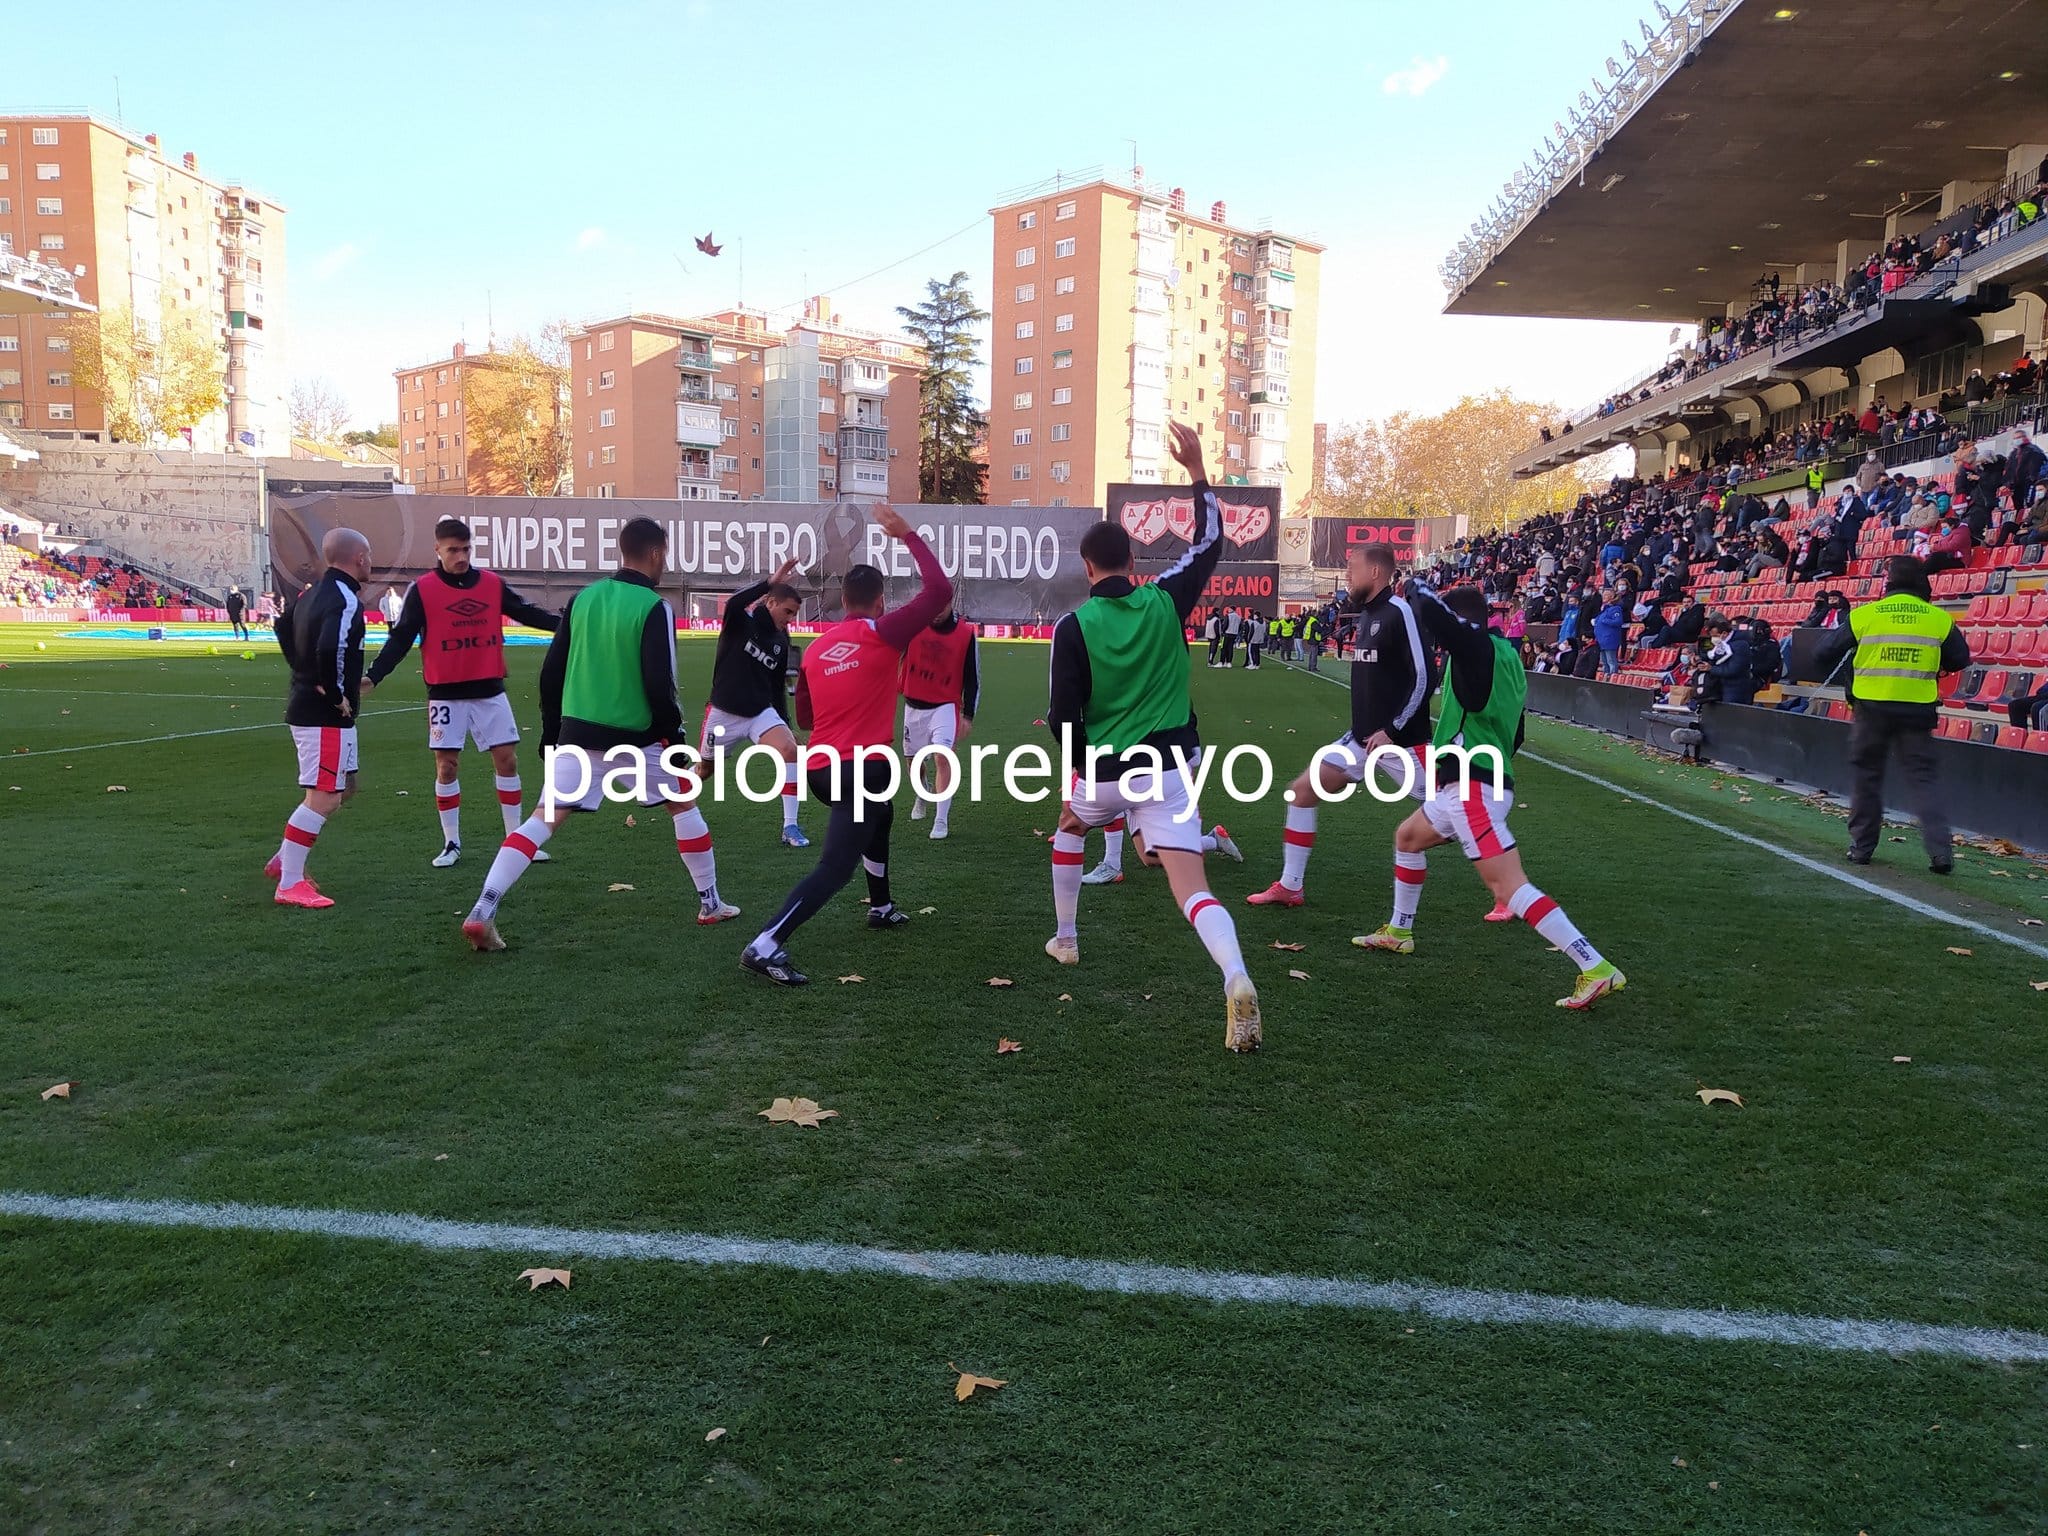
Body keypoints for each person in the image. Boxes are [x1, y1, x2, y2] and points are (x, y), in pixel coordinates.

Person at [1046, 421, 1261, 1052]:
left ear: (1087, 567)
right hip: (1169, 769)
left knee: (1068, 827)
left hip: (1107, 771)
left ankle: (1066, 938)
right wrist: (1197, 472)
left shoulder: (1073, 626)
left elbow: (1064, 716)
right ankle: (1236, 975)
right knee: (1191, 889)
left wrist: (1083, 771)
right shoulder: (1167, 599)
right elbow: (1213, 542)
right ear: (1133, 563)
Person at [460, 517, 735, 950]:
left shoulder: (583, 598)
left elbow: (552, 673)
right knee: (683, 805)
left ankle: (484, 906)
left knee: (542, 820)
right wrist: (675, 743)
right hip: (637, 736)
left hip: (577, 732)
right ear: (657, 553)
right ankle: (710, 903)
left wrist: (552, 735)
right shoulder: (654, 606)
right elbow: (659, 681)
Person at [1353, 580, 1626, 1011]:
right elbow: (1515, 730)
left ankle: (1595, 966)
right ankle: (1399, 931)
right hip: (1470, 782)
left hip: (1471, 787)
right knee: (1407, 837)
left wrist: (1418, 591)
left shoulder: (1476, 650)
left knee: (1508, 885)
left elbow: (1446, 623)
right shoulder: (1509, 658)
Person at [739, 505, 954, 986]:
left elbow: (807, 718)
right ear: (880, 603)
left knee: (882, 816)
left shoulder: (815, 649)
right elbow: (940, 592)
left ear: (841, 599)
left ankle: (881, 906)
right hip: (861, 768)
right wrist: (908, 535)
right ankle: (766, 943)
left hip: (822, 769)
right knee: (835, 866)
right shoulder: (883, 632)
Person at [364, 517, 561, 867]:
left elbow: (527, 613)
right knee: (447, 767)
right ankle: (452, 843)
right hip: (445, 694)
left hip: (489, 691)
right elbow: (401, 637)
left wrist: (569, 625)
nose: (461, 556)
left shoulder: (490, 584)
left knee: (507, 760)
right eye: (453, 550)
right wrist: (374, 675)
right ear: (437, 550)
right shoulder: (423, 590)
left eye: (466, 549)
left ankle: (515, 841)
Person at [1248, 542, 1435, 909]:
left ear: (1376, 572)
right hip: (1362, 740)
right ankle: (1291, 885)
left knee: (1459, 811)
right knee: (1303, 791)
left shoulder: (1399, 612)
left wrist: (1393, 731)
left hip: (1402, 743)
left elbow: (1427, 676)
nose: (1347, 575)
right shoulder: (1364, 615)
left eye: (1352, 568)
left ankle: (1507, 887)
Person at [1814, 556, 1972, 874]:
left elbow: (1822, 652)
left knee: (1867, 779)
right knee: (1924, 781)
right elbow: (1960, 658)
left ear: (1889, 583)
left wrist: (1853, 673)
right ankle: (1941, 853)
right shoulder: (1938, 618)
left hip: (1871, 709)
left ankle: (1861, 848)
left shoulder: (1866, 615)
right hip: (1917, 710)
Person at [264, 528, 373, 909]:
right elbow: (330, 646)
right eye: (368, 557)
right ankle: (290, 881)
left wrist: (302, 671)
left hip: (319, 710)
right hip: (323, 713)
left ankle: (285, 858)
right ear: (359, 558)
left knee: (344, 788)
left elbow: (281, 626)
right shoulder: (344, 599)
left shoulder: (312, 594)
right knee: (325, 799)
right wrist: (331, 688)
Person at [702, 558, 808, 848]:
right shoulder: (740, 621)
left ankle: (790, 826)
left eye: (794, 614)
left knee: (790, 750)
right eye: (787, 611)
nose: (790, 618)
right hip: (723, 712)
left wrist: (785, 725)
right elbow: (736, 602)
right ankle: (675, 797)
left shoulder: (781, 641)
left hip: (759, 713)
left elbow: (776, 688)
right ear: (771, 602)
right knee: (704, 770)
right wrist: (769, 582)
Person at [901, 605, 980, 840]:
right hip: (913, 704)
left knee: (943, 756)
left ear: (949, 602)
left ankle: (941, 819)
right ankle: (923, 791)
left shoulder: (965, 634)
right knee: (913, 762)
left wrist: (968, 716)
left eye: (941, 604)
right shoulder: (913, 623)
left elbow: (973, 678)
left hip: (945, 705)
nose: (935, 610)